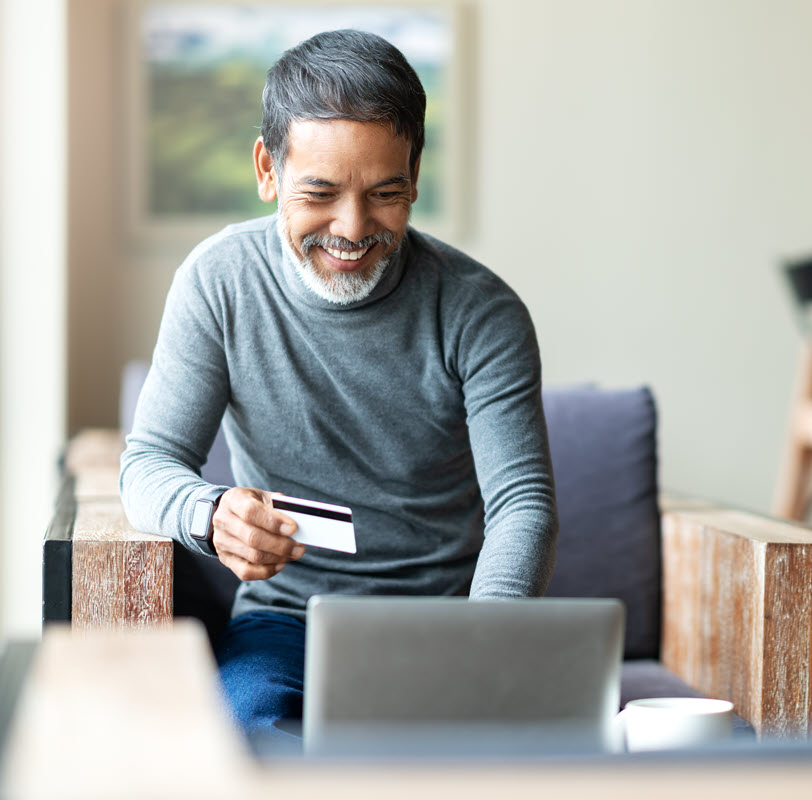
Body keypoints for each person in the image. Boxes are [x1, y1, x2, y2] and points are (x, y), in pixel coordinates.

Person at [119, 29, 558, 742]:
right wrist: (211, 515)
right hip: (285, 623)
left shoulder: (483, 310)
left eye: (385, 194)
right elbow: (147, 466)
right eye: (319, 193)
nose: (352, 230)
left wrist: (489, 640)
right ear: (268, 169)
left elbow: (522, 503)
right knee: (248, 738)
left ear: (415, 177)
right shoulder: (218, 281)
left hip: (452, 623)